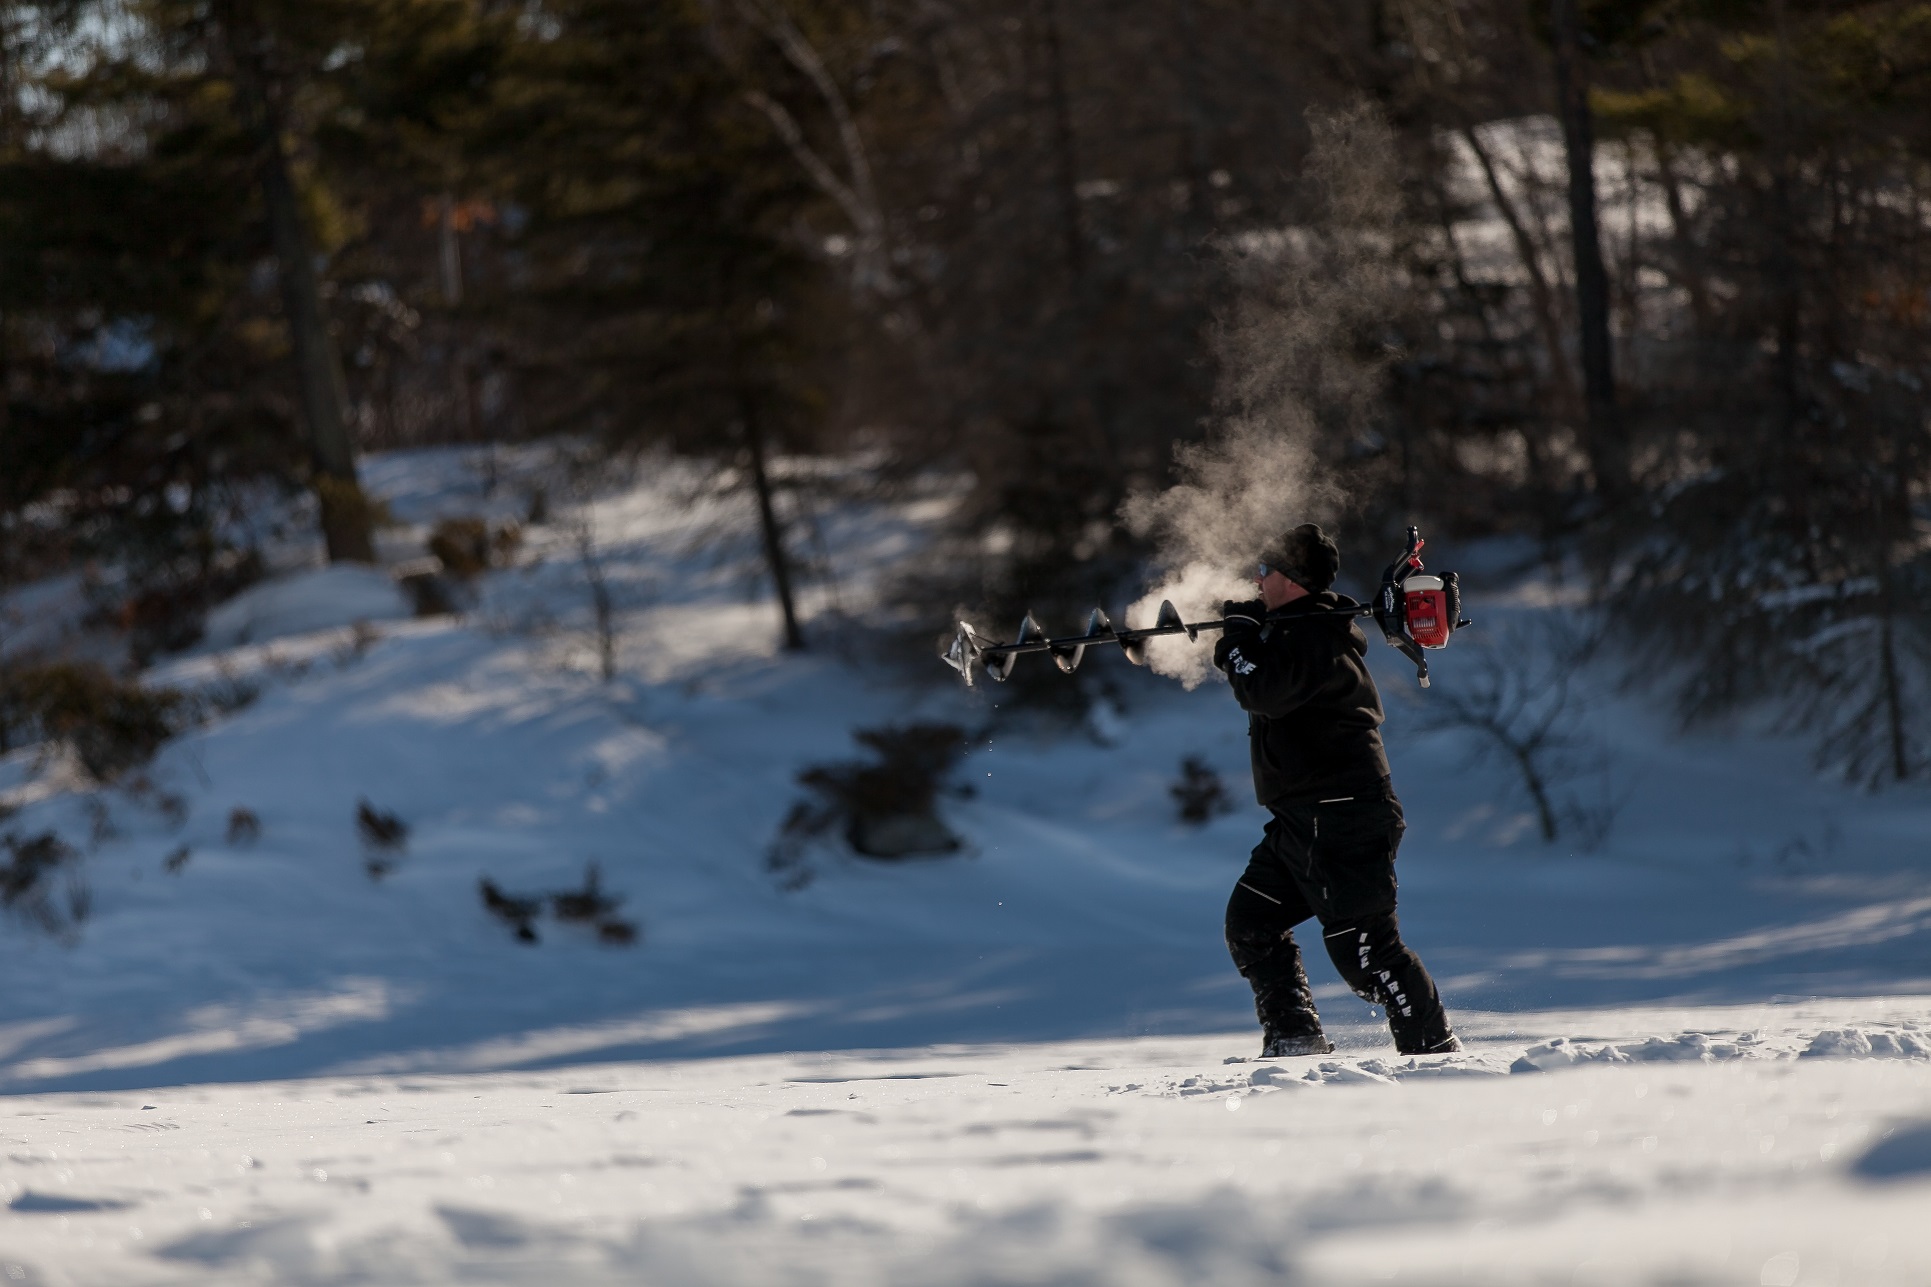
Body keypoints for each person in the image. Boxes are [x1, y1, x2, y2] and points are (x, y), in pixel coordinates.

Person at [1212, 523, 1458, 1058]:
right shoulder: (1296, 632)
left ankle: (1433, 1054)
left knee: (1369, 955)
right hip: (1302, 821)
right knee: (1252, 924)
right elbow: (1268, 682)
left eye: (1264, 572)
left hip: (1342, 818)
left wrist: (1236, 642)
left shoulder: (1315, 636)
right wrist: (1249, 637)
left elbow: (1263, 690)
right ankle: (1295, 1035)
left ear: (1293, 579)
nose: (1256, 582)